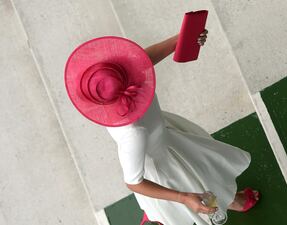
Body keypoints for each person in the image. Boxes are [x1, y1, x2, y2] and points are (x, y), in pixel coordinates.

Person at [64, 30, 259, 225]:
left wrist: (180, 39)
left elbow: (141, 61)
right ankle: (229, 202)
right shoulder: (132, 134)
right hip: (164, 164)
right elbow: (133, 182)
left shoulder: (102, 83)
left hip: (163, 135)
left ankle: (157, 213)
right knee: (202, 182)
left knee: (202, 177)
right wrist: (183, 197)